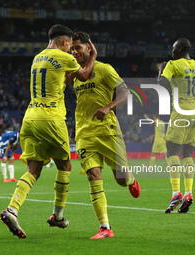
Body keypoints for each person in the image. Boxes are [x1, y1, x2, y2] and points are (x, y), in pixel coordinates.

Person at [0, 24, 97, 239]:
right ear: (64, 42)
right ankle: (57, 216)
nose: (71, 50)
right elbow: (83, 75)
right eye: (70, 45)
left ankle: (12, 209)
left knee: (34, 169)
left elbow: (61, 79)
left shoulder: (38, 57)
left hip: (30, 118)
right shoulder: (64, 57)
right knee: (65, 165)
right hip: (51, 119)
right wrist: (92, 57)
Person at [70, 31, 141, 239]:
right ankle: (105, 227)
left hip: (107, 131)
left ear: (89, 48)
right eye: (72, 49)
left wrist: (109, 107)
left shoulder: (105, 69)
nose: (74, 52)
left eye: (78, 48)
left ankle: (130, 180)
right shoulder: (76, 74)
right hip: (84, 133)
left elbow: (126, 93)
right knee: (93, 176)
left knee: (120, 179)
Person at [158, 38, 195, 214]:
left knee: (171, 151)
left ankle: (176, 193)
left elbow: (161, 83)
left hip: (181, 111)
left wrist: (161, 70)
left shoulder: (173, 65)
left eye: (174, 49)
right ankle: (189, 193)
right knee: (187, 153)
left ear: (180, 49)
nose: (172, 52)